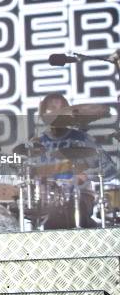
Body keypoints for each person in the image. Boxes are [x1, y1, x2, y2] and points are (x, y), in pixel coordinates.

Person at [35, 93, 115, 229]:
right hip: (49, 200)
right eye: (52, 108)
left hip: (81, 195)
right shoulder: (37, 144)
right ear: (43, 114)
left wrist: (87, 174)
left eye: (62, 109)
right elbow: (30, 175)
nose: (58, 113)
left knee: (71, 210)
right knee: (52, 218)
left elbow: (110, 170)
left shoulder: (82, 139)